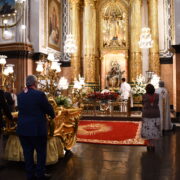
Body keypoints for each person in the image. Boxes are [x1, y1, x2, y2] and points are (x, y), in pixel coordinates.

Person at [17, 75, 55, 180]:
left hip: (23, 129)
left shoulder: (20, 96)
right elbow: (48, 108)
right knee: (41, 152)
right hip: (37, 129)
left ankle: (30, 175)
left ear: (27, 84)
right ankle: (40, 174)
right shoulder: (40, 94)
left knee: (27, 153)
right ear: (35, 83)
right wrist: (53, 115)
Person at [141, 84, 161, 151]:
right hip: (155, 113)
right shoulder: (157, 96)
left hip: (147, 114)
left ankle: (148, 144)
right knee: (154, 129)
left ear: (146, 90)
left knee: (147, 129)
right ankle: (153, 145)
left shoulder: (144, 96)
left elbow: (143, 103)